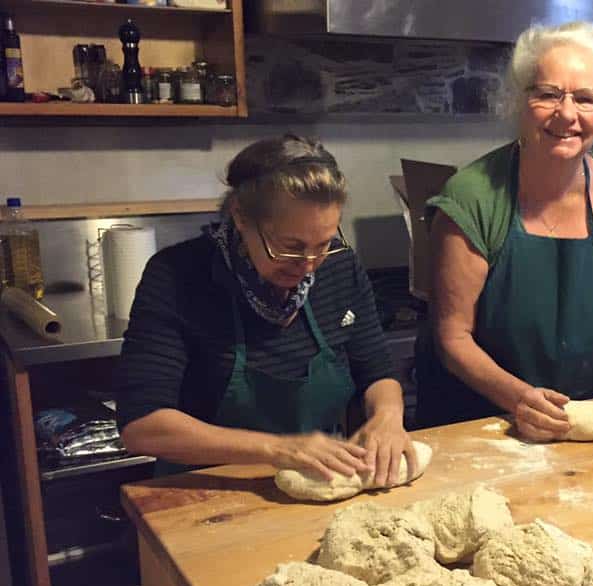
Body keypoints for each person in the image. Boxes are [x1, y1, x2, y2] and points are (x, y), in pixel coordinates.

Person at [416, 21, 593, 440]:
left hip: (579, 426)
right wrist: (519, 397)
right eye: (548, 94)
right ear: (519, 102)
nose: (567, 114)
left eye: (586, 98)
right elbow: (452, 335)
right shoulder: (474, 195)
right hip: (478, 425)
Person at [117, 135, 416, 485]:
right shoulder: (178, 276)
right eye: (290, 247)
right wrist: (278, 449)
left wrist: (388, 416)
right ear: (241, 217)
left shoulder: (340, 268)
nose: (308, 265)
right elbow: (142, 426)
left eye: (323, 245)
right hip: (207, 491)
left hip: (318, 478)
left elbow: (377, 372)